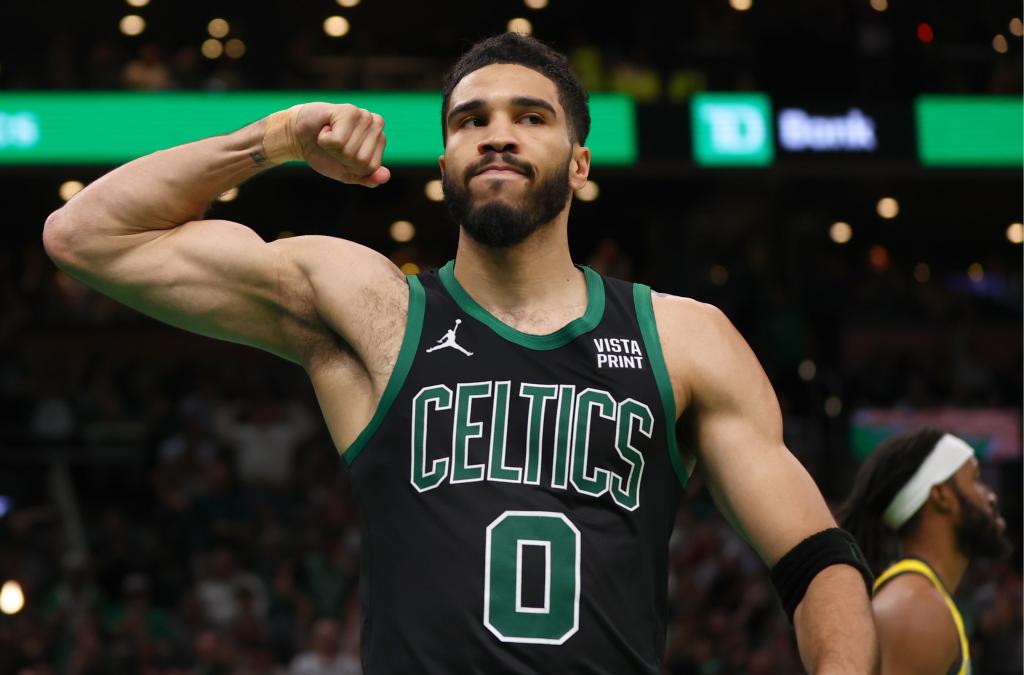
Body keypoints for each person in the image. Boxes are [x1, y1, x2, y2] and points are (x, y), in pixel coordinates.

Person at [43, 32, 877, 673]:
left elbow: (815, 558)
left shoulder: (684, 337)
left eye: (531, 117)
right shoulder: (374, 313)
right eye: (471, 121)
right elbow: (85, 235)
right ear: (445, 160)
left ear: (580, 161)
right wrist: (274, 139)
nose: (497, 135)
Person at [838, 428, 1011, 675]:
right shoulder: (915, 609)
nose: (991, 496)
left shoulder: (920, 599)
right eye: (975, 479)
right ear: (942, 495)